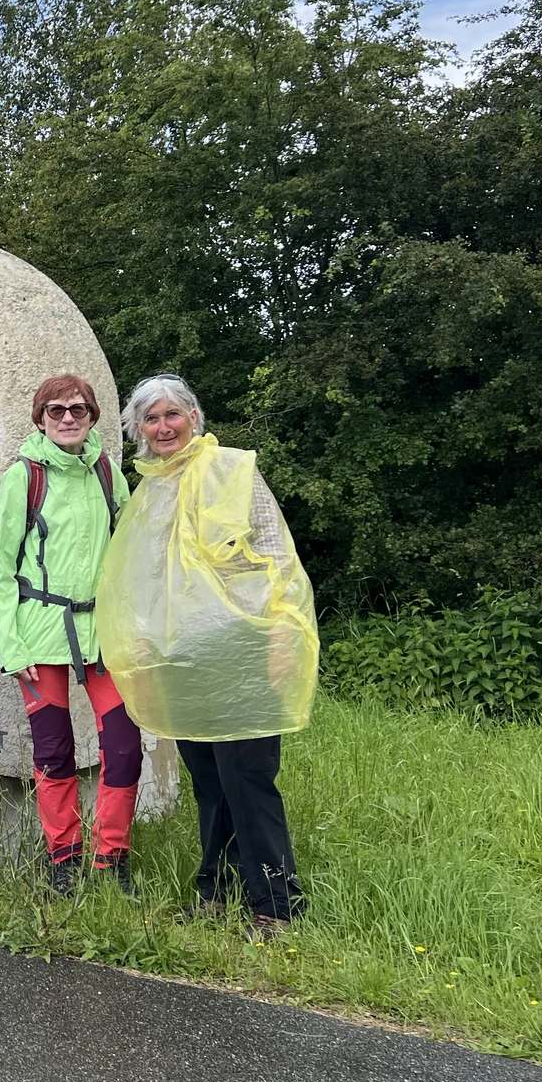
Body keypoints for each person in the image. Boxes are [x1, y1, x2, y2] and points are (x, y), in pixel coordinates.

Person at [97, 373, 318, 934]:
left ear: (193, 417)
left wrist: (282, 636)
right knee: (208, 780)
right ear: (139, 430)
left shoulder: (232, 470)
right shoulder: (148, 492)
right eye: (151, 419)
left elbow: (277, 556)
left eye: (172, 414)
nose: (163, 427)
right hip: (185, 660)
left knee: (248, 777)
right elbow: (140, 580)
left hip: (242, 652)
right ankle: (215, 890)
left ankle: (274, 904)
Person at [0, 375, 136, 894]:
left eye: (78, 409)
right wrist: (11, 646)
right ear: (40, 419)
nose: (67, 418)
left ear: (92, 416)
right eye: (56, 410)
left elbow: (128, 553)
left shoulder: (108, 474)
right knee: (53, 748)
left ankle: (111, 860)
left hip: (102, 632)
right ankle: (64, 859)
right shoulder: (23, 477)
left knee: (124, 746)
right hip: (39, 631)